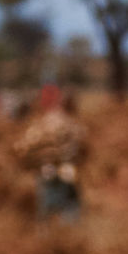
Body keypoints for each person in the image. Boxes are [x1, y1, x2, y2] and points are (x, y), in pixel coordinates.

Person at [13, 85, 88, 223]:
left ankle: (55, 235)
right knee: (62, 205)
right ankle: (60, 236)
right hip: (59, 169)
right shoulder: (65, 122)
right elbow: (82, 144)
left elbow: (24, 148)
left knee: (53, 205)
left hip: (54, 169)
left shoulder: (43, 123)